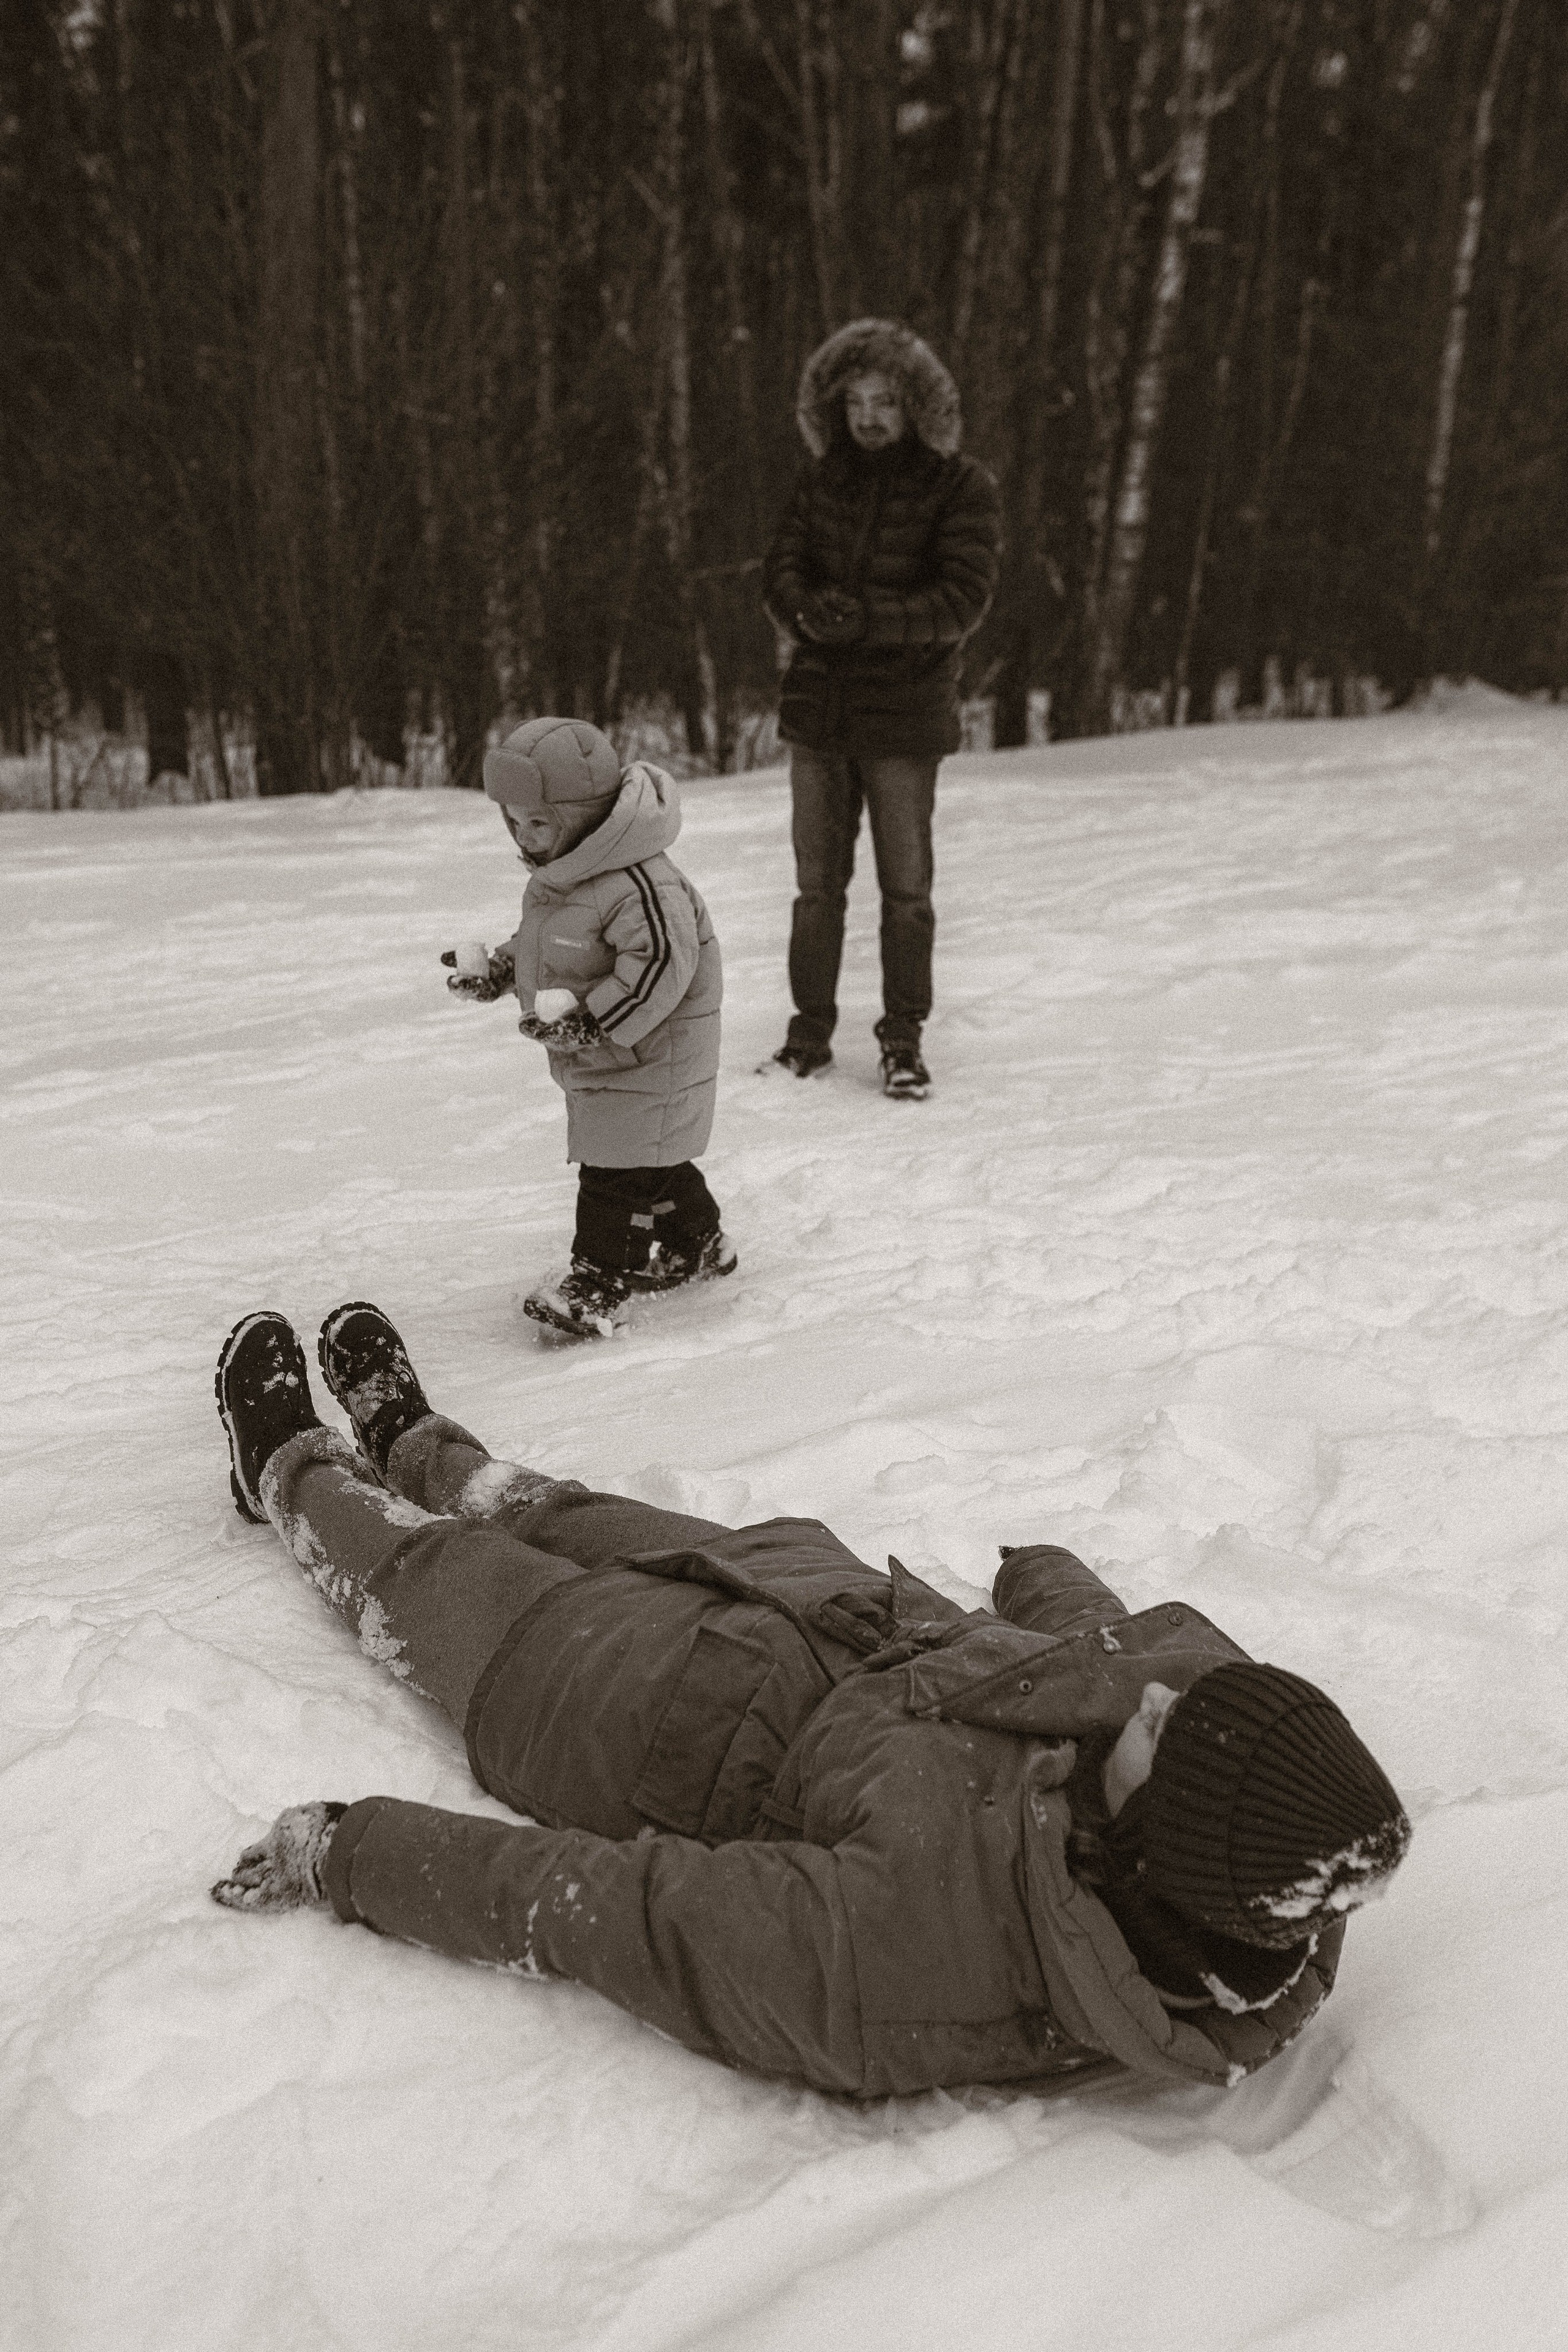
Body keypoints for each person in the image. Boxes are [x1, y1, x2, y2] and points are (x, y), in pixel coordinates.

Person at [212, 1303, 1412, 2100]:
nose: (1154, 1698)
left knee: (427, 1576)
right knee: (543, 1507)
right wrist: (1034, 1570)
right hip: (807, 1595)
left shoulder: (918, 1956)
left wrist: (350, 1854)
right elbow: (1124, 1647)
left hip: (617, 1712)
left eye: (1166, 1732)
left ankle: (289, 1470)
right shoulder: (1230, 1761)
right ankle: (415, 1440)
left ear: (1158, 1844)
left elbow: (615, 1915)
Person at [762, 319, 1003, 1101]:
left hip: (904, 717)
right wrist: (808, 611)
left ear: (916, 407)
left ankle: (903, 1039)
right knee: (815, 888)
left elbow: (961, 600)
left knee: (906, 891)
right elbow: (781, 570)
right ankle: (809, 1035)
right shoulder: (819, 478)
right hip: (820, 714)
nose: (869, 417)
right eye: (856, 401)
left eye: (886, 402)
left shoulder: (960, 485)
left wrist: (867, 618)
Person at [443, 715, 732, 1339]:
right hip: (616, 1055)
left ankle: (599, 1281)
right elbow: (547, 940)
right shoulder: (570, 872)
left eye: (537, 823)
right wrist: (497, 971)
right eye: (513, 823)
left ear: (584, 814)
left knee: (611, 1171)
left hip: (652, 1052)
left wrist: (594, 1022)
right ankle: (702, 1241)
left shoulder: (640, 882)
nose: (524, 836)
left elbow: (660, 966)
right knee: (650, 1159)